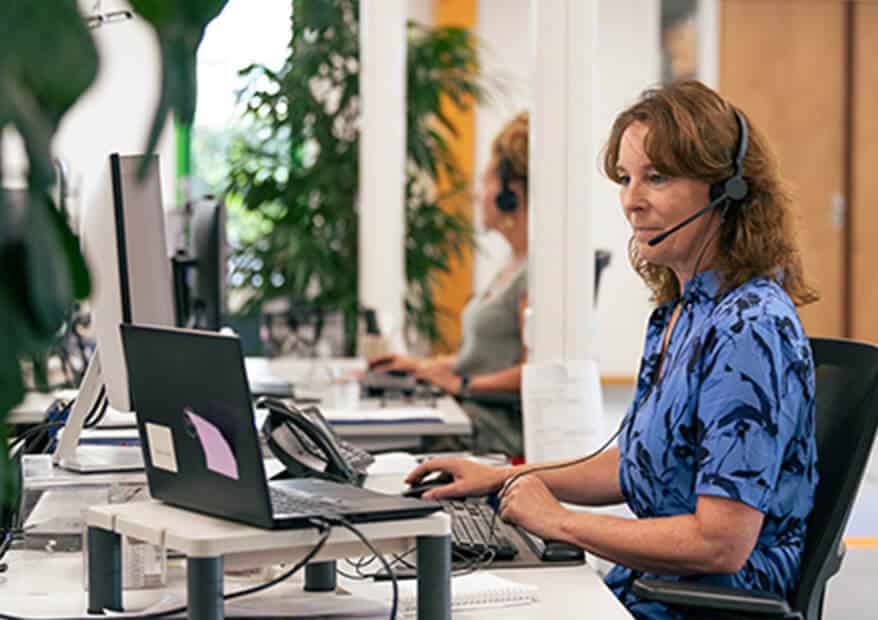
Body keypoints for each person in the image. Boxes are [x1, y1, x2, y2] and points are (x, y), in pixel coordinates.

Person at [406, 81, 819, 619]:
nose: (631, 200)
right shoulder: (683, 312)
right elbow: (631, 465)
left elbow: (722, 543)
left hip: (705, 602)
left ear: (728, 189)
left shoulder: (749, 328)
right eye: (626, 178)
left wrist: (557, 521)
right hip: (654, 584)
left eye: (657, 177)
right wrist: (501, 477)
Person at [369, 112, 530, 455]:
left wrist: (462, 384)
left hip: (492, 431)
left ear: (510, 194)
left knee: (374, 450)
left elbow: (536, 374)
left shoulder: (533, 273)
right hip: (470, 414)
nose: (478, 196)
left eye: (485, 183)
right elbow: (489, 356)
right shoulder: (511, 264)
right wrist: (426, 367)